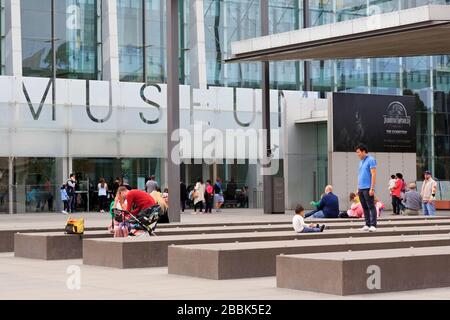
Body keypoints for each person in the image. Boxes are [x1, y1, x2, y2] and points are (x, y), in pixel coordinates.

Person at [355, 144, 378, 232]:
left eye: (358, 152)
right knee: (364, 207)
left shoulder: (371, 160)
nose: (358, 154)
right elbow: (360, 175)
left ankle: (373, 225)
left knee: (371, 206)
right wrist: (358, 188)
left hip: (368, 187)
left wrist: (372, 188)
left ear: (364, 151)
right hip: (361, 188)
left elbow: (373, 174)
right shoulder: (360, 162)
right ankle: (367, 224)